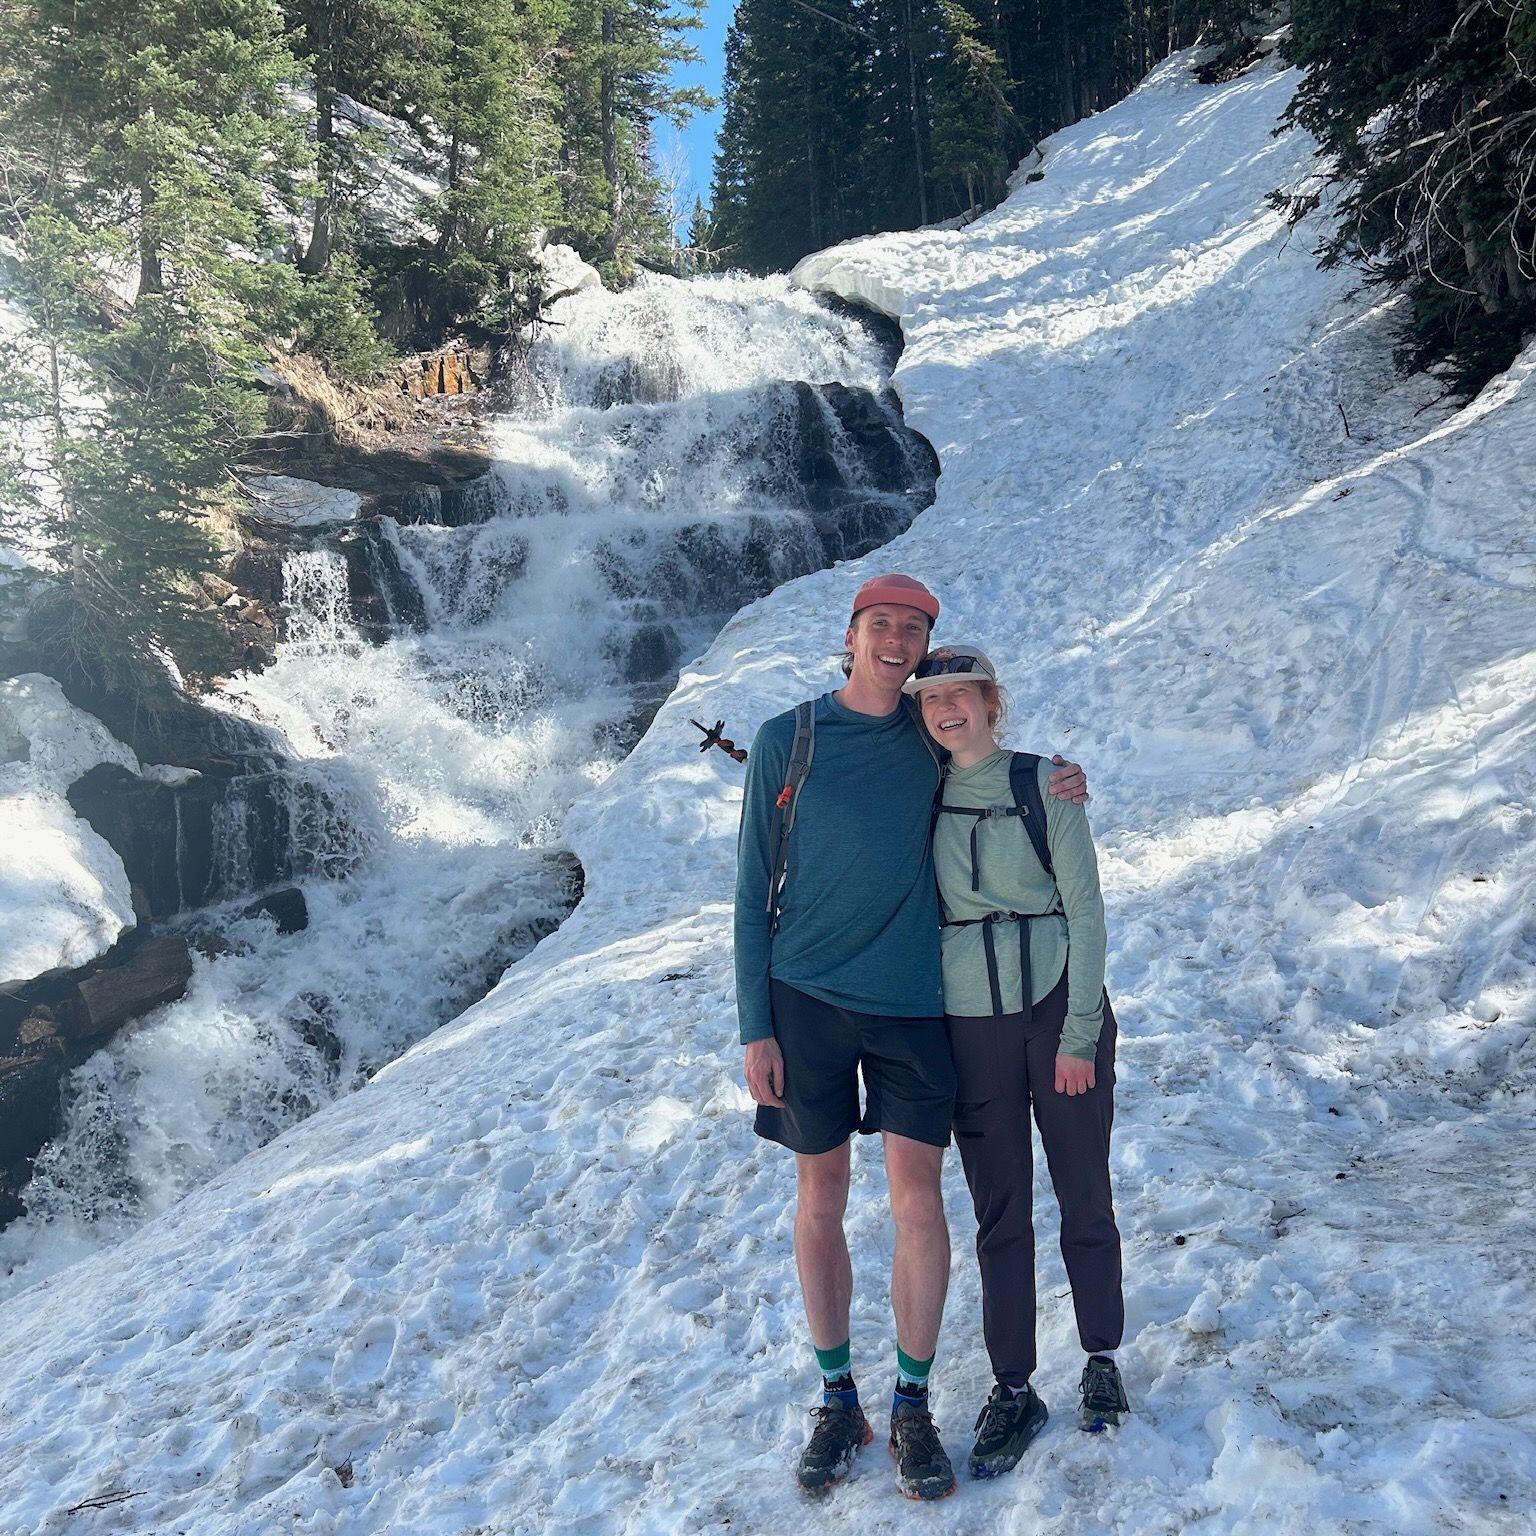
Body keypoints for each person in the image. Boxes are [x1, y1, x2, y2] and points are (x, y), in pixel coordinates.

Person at [733, 575, 1089, 1500]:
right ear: (850, 636)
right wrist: (753, 1026)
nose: (896, 641)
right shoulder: (788, 740)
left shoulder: (930, 734)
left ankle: (912, 1402)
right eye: (881, 624)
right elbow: (747, 892)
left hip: (912, 1001)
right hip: (804, 997)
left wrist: (1058, 780)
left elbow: (993, 768)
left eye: (914, 629)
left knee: (918, 1200)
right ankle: (837, 1395)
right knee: (820, 1193)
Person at [904, 643, 1127, 1481]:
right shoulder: (916, 799)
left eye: (962, 695)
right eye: (932, 700)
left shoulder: (1044, 787)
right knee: (1000, 1211)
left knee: (1083, 1191)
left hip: (1056, 1013)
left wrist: (1076, 1037)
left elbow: (1089, 915)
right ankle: (1014, 1384)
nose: (948, 710)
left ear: (994, 702)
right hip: (971, 1026)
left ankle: (1101, 1359)